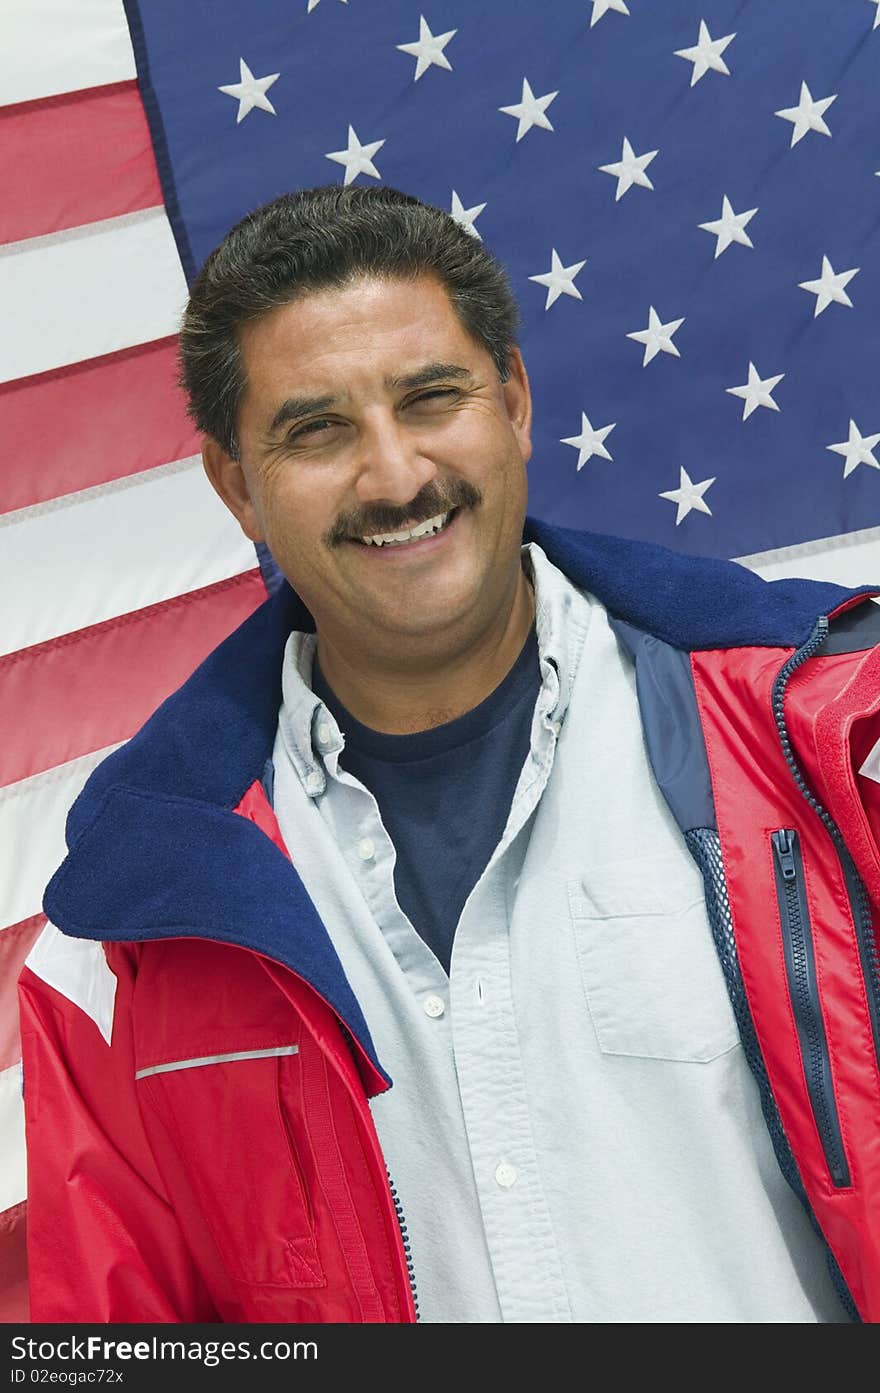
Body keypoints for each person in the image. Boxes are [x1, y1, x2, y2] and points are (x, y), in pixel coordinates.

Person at [19, 185, 880, 1324]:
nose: (394, 476)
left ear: (514, 401)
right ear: (238, 486)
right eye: (316, 429)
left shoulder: (834, 741)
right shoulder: (120, 933)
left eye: (431, 398)